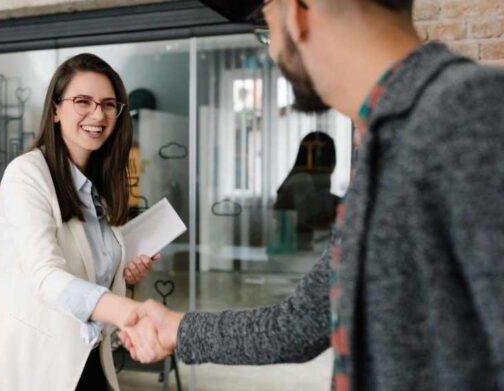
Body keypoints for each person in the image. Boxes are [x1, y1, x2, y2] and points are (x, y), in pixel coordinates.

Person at [120, 0, 504, 390]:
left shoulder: (471, 113)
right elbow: (299, 325)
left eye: (267, 28)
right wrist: (177, 329)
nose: (272, 50)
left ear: (298, 12)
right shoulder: (384, 142)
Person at [0, 53, 162, 391]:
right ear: (56, 110)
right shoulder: (26, 174)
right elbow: (46, 276)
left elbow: (89, 273)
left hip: (88, 360)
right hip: (32, 369)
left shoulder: (97, 188)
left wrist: (124, 272)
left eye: (108, 104)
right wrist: (127, 311)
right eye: (82, 101)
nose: (97, 114)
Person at [274, 131, 340, 250]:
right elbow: (307, 216)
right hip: (292, 253)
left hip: (301, 249)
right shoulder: (302, 180)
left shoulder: (305, 178)